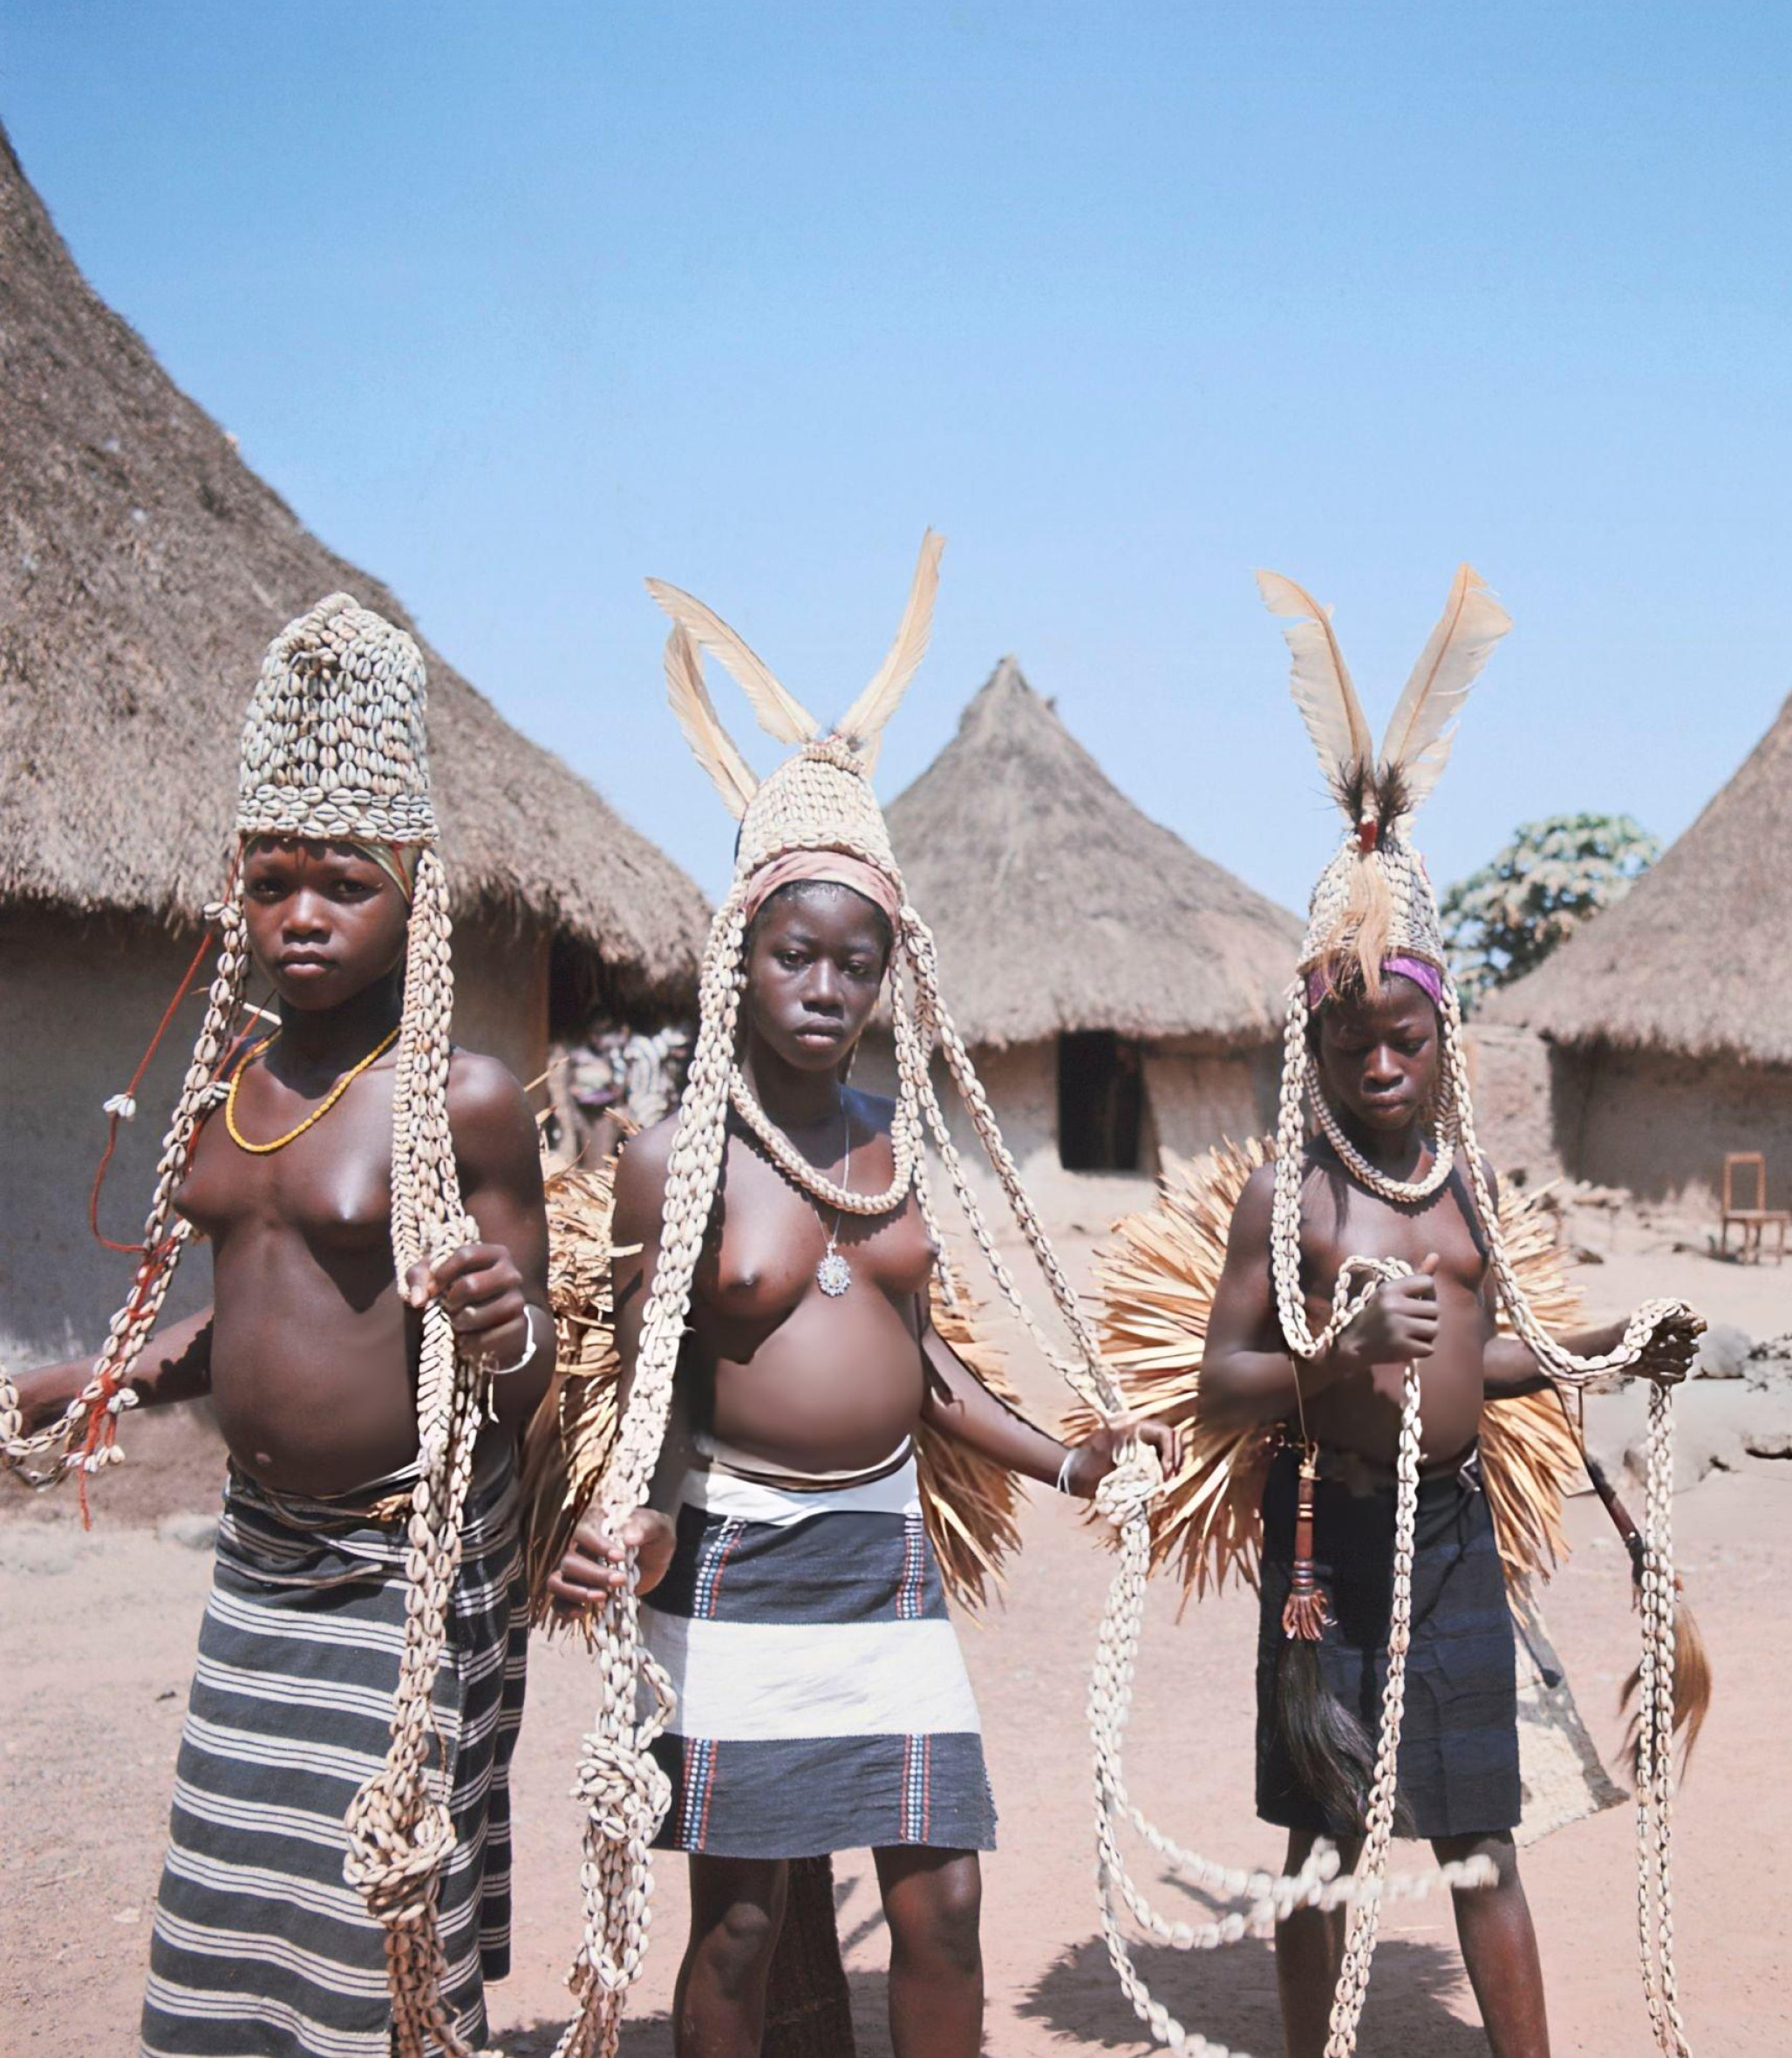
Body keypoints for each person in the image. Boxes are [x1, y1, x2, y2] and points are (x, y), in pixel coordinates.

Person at [545, 535, 1175, 2058]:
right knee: (747, 1923)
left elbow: (922, 1362)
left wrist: (1071, 1456)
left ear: (893, 973)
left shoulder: (889, 1146)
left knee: (944, 1902)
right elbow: (643, 1398)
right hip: (740, 1565)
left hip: (887, 1552)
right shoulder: (673, 1163)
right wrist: (623, 1520)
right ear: (737, 960)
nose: (825, 988)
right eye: (794, 957)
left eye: (857, 962)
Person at [3, 596, 554, 2058]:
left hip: (403, 1564)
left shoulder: (462, 1098)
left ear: (414, 897)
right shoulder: (232, 1081)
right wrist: (94, 1380)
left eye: (343, 884)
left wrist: (506, 1331)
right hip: (259, 1563)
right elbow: (235, 1321)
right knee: (235, 1915)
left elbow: (537, 1359)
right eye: (270, 882)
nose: (299, 916)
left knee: (377, 1925)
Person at [1194, 565, 1701, 2058]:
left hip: (1459, 1533)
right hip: (1326, 1541)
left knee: (1486, 1831)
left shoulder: (1470, 1186)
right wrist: (1331, 1348)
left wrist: (1608, 1350)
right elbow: (1221, 1378)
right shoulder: (1289, 1203)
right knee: (1326, 1842)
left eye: (1404, 1038)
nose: (1380, 1067)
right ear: (1317, 1043)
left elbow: (1489, 1357)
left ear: (1443, 1033)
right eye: (1351, 1042)